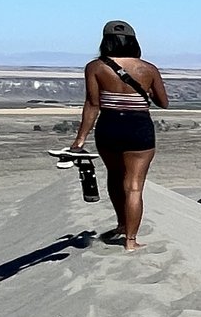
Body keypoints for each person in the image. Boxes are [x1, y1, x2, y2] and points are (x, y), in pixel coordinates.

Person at [67, 20, 170, 250]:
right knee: (134, 186)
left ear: (106, 41)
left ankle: (122, 224)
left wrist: (79, 139)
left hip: (109, 127)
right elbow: (163, 103)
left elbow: (92, 104)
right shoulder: (148, 69)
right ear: (133, 41)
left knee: (114, 177)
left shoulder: (95, 67)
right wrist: (147, 90)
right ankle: (131, 241)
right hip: (139, 128)